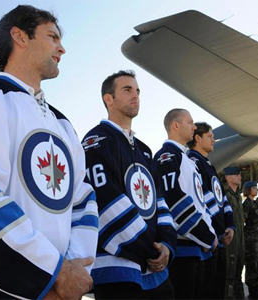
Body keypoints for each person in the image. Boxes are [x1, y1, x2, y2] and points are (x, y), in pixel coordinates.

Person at [0, 5, 98, 300]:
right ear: (20, 36)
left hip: (59, 291)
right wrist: (52, 275)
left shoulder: (64, 124)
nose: (61, 48)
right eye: (52, 37)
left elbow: (83, 201)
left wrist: (72, 270)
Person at [82, 70, 176, 300]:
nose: (135, 96)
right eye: (127, 90)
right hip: (117, 271)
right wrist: (150, 251)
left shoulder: (144, 149)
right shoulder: (96, 142)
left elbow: (159, 202)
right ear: (109, 99)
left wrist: (166, 245)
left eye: (137, 91)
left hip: (156, 271)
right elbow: (105, 203)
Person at [153, 108, 217, 300]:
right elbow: (174, 203)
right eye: (190, 122)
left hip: (195, 246)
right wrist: (206, 236)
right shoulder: (167, 156)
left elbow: (200, 204)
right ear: (176, 125)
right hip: (182, 250)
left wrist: (209, 235)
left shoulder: (186, 159)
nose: (194, 127)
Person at [187, 122, 235, 299]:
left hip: (220, 236)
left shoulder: (209, 165)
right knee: (207, 290)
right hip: (209, 240)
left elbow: (222, 200)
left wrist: (231, 226)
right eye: (210, 136)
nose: (214, 139)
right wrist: (222, 229)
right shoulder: (193, 161)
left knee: (218, 289)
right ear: (198, 138)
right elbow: (205, 200)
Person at [242, 181, 258, 299]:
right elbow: (242, 221)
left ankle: (257, 289)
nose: (257, 189)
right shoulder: (247, 204)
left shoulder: (255, 203)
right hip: (250, 241)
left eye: (257, 188)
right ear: (248, 190)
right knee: (252, 266)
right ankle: (253, 292)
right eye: (254, 188)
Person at [223, 166, 245, 300]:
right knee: (229, 274)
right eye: (237, 175)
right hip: (231, 240)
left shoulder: (238, 196)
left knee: (238, 271)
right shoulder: (225, 195)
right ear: (229, 177)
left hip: (240, 239)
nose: (240, 177)